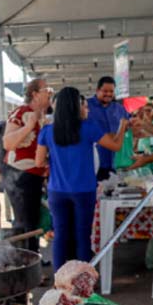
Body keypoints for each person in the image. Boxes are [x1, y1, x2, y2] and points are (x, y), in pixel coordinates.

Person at [35, 87, 125, 270]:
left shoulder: (47, 131)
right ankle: (84, 282)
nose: (86, 108)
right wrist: (123, 126)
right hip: (84, 190)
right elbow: (115, 145)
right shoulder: (89, 128)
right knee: (83, 236)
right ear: (76, 106)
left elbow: (38, 162)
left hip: (57, 191)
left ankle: (59, 281)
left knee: (60, 235)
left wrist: (55, 159)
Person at [2, 79, 53, 253]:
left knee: (32, 220)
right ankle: (25, 262)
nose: (50, 93)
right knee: (26, 222)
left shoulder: (43, 116)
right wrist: (29, 126)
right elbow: (7, 143)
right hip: (20, 174)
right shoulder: (22, 112)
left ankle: (30, 261)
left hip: (35, 174)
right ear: (35, 94)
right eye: (47, 89)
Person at [87, 76, 131, 180]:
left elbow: (128, 127)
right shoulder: (86, 107)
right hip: (93, 164)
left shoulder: (119, 109)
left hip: (115, 163)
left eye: (111, 91)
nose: (108, 94)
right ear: (97, 90)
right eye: (105, 91)